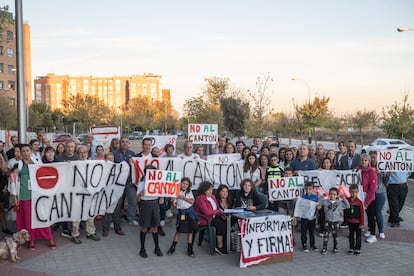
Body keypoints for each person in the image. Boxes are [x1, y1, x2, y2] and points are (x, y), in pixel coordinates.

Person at [9, 144, 56, 250]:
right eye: (23, 151)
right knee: (28, 219)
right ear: (20, 153)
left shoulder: (38, 163)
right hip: (24, 197)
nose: (25, 153)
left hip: (38, 196)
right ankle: (31, 240)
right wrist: (14, 197)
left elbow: (47, 175)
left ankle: (49, 238)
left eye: (27, 150)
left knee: (42, 217)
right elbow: (12, 182)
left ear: (31, 151)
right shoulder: (17, 166)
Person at [70, 145, 101, 244]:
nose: (83, 154)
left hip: (89, 193)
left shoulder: (93, 163)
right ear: (77, 154)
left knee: (90, 213)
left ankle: (90, 232)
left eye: (85, 152)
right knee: (76, 214)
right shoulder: (73, 164)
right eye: (81, 152)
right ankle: (75, 234)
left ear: (87, 153)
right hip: (77, 193)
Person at [136, 165, 164, 258]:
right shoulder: (142, 183)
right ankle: (142, 249)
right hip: (145, 204)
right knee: (144, 227)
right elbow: (137, 199)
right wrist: (140, 194)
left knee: (155, 226)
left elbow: (161, 192)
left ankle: (157, 248)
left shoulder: (157, 182)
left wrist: (161, 197)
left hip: (154, 204)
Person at [167, 177, 198, 257]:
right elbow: (175, 206)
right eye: (183, 183)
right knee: (179, 230)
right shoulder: (175, 192)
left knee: (190, 231)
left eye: (186, 184)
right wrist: (173, 200)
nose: (184, 185)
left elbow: (192, 201)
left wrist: (183, 197)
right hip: (182, 213)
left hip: (189, 212)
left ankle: (190, 249)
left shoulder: (189, 192)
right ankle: (173, 247)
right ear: (180, 183)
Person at [194, 181, 227, 255]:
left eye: (211, 189)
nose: (210, 191)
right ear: (203, 190)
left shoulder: (213, 197)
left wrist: (221, 213)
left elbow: (217, 207)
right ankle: (219, 246)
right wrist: (219, 211)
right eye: (208, 190)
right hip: (205, 219)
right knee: (220, 224)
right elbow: (206, 212)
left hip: (214, 217)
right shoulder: (200, 199)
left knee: (226, 222)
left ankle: (224, 243)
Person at [317, 187, 349, 255]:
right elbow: (318, 203)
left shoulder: (339, 203)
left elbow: (347, 206)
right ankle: (324, 248)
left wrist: (344, 199)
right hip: (327, 221)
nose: (332, 196)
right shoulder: (325, 202)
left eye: (334, 194)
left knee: (336, 236)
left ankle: (335, 248)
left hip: (336, 221)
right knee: (326, 235)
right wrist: (321, 197)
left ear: (337, 195)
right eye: (331, 194)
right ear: (329, 194)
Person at [113, 137, 137, 225]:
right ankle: (114, 220)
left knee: (132, 201)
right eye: (122, 142)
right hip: (118, 183)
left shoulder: (132, 153)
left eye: (126, 142)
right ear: (119, 143)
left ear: (129, 143)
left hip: (129, 182)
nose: (124, 143)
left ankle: (131, 218)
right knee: (116, 203)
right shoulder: (114, 153)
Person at [102, 152, 125, 237]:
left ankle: (117, 228)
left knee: (117, 211)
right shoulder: (102, 168)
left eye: (112, 158)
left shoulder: (118, 168)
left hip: (117, 192)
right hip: (107, 193)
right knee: (107, 211)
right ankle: (105, 229)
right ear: (105, 159)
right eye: (109, 158)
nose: (111, 159)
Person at [358, 153, 377, 243]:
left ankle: (373, 234)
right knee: (360, 214)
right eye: (362, 160)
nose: (363, 162)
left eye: (365, 160)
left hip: (369, 196)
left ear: (368, 161)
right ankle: (368, 229)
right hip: (359, 195)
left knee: (370, 215)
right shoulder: (357, 170)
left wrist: (367, 201)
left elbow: (372, 189)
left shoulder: (371, 172)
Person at [369, 151, 388, 239]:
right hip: (369, 194)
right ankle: (370, 229)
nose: (372, 159)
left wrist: (388, 175)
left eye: (374, 157)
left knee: (378, 212)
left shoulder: (382, 168)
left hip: (379, 193)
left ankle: (381, 231)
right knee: (370, 213)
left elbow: (386, 183)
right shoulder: (366, 168)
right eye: (371, 157)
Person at [345, 184, 364, 256]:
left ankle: (357, 248)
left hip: (358, 222)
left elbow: (362, 213)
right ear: (349, 191)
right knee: (351, 235)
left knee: (358, 236)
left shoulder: (359, 202)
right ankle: (351, 248)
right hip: (350, 221)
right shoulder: (347, 200)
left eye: (355, 192)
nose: (354, 194)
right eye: (352, 192)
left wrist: (362, 223)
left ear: (358, 192)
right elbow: (345, 210)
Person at [300, 181, 319, 252]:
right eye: (307, 189)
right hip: (304, 217)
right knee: (304, 231)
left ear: (313, 189)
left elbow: (317, 208)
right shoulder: (302, 197)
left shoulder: (315, 197)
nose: (308, 190)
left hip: (312, 217)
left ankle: (312, 244)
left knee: (312, 232)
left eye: (310, 189)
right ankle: (304, 244)